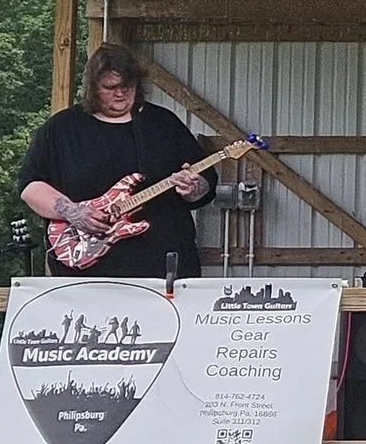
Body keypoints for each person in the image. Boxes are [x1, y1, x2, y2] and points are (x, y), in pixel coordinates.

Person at [18, 43, 217, 278]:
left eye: (127, 86)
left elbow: (206, 184)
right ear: (92, 88)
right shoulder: (62, 129)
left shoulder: (163, 124)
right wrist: (73, 212)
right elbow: (30, 186)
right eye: (110, 87)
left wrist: (194, 188)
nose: (120, 93)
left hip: (162, 268)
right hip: (87, 272)